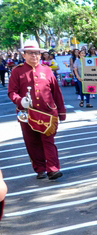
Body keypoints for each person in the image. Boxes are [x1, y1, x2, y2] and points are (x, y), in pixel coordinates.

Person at [8, 40, 66, 180]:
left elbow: (56, 92)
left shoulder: (47, 70)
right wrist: (20, 100)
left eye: (37, 53)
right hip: (27, 113)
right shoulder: (17, 71)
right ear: (24, 55)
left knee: (48, 140)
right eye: (30, 53)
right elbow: (12, 92)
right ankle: (40, 169)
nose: (34, 55)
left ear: (40, 55)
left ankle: (52, 169)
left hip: (47, 112)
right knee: (32, 142)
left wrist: (61, 111)